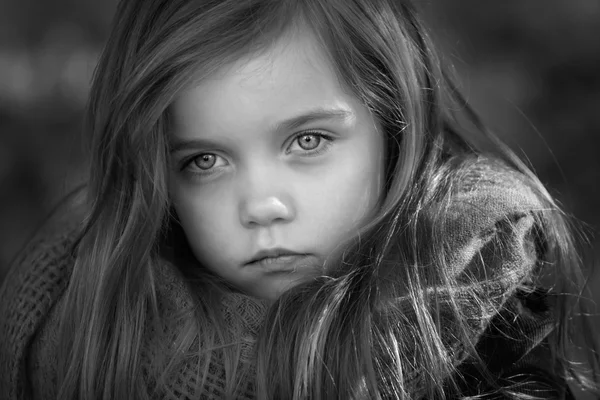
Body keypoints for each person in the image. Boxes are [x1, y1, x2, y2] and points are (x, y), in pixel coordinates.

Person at [0, 0, 598, 398]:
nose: (261, 205)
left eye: (307, 140)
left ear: (392, 129)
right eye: (204, 161)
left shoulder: (481, 338)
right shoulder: (74, 322)